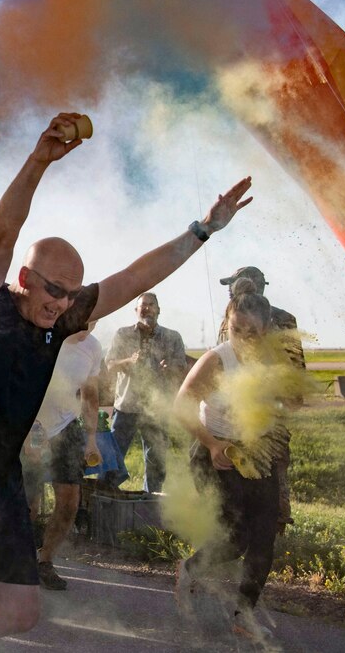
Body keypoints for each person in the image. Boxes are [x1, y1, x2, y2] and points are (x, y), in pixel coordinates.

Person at [0, 112, 252, 652]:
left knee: (21, 613)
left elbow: (135, 277)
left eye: (72, 295)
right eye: (53, 290)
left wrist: (203, 229)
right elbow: (1, 235)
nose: (63, 304)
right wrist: (39, 160)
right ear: (25, 279)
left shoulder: (62, 318)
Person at [173, 291, 293, 641]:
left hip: (258, 455)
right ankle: (189, 570)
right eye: (236, 329)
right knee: (236, 537)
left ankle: (244, 614)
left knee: (264, 538)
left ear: (267, 328)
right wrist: (212, 445)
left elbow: (288, 404)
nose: (243, 338)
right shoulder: (217, 360)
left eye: (252, 332)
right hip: (216, 452)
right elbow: (182, 404)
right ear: (228, 323)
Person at [217, 266, 305, 533]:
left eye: (234, 285)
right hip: (235, 413)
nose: (230, 291)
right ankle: (248, 535)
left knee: (272, 472)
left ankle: (271, 533)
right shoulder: (230, 317)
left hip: (267, 411)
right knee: (244, 472)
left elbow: (294, 371)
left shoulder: (281, 320)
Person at [30, 323, 104, 590]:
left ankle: (45, 562)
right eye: (84, 317)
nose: (88, 325)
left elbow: (90, 394)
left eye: (95, 318)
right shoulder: (43, 336)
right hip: (30, 424)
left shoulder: (93, 347)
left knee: (71, 500)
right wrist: (29, 433)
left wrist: (92, 439)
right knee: (29, 503)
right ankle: (16, 562)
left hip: (66, 426)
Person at [101, 293, 187, 492]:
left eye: (151, 305)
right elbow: (110, 365)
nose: (146, 308)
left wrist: (170, 367)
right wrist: (128, 362)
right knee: (114, 455)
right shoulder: (123, 334)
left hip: (157, 408)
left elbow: (181, 368)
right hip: (127, 406)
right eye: (142, 305)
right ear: (136, 310)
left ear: (158, 310)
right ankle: (106, 496)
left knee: (156, 459)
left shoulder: (172, 337)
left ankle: (151, 502)